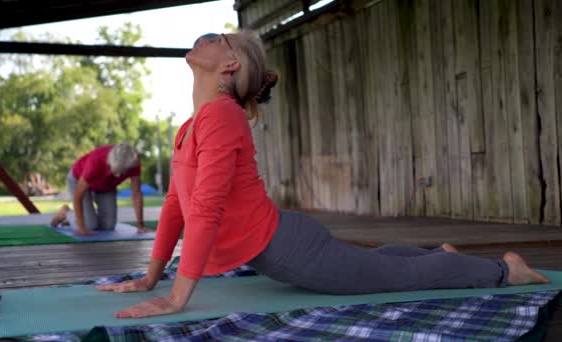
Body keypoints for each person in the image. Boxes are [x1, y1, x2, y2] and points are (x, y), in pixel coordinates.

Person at [97, 31, 549, 318]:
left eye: (217, 38)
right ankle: (440, 254)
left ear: (229, 65)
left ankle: (504, 271)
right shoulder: (192, 126)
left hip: (289, 249)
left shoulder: (222, 116)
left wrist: (178, 298)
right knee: (369, 266)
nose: (206, 38)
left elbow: (207, 208)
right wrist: (152, 277)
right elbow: (178, 204)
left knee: (388, 279)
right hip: (285, 243)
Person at [50, 143, 149, 235]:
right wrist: (82, 227)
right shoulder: (96, 160)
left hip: (106, 186)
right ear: (109, 161)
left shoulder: (134, 163)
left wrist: (140, 225)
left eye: (121, 172)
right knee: (90, 225)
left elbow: (136, 194)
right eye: (113, 169)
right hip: (78, 180)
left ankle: (79, 219)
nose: (117, 175)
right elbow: (78, 196)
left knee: (108, 226)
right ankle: (66, 212)